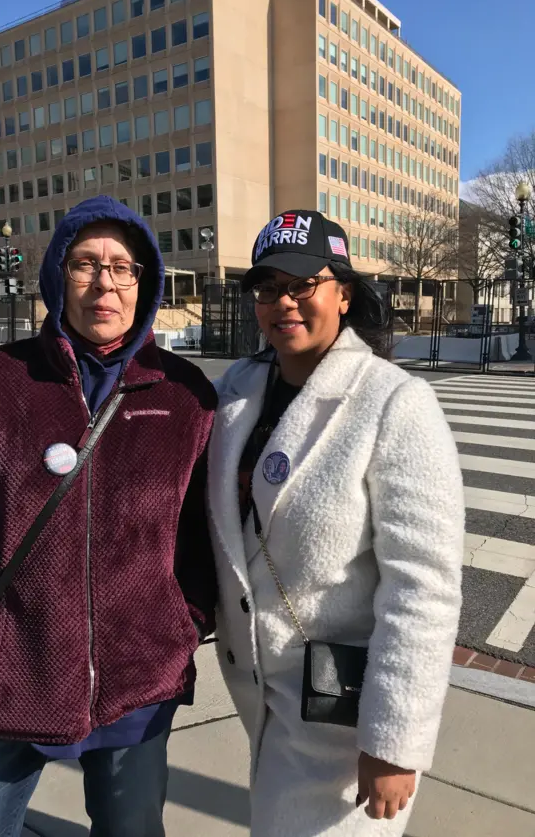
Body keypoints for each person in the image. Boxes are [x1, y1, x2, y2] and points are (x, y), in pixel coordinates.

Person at [0, 196, 217, 837]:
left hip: (135, 683)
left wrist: (181, 626)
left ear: (144, 282)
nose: (105, 282)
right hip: (9, 675)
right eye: (86, 264)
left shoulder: (186, 395)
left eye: (124, 267)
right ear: (58, 276)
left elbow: (206, 535)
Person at [207, 209, 464, 836]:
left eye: (303, 284)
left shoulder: (395, 402)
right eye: (268, 288)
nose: (283, 302)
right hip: (261, 696)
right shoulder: (236, 390)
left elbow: (423, 586)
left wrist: (395, 738)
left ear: (343, 294)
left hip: (345, 710)